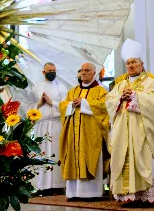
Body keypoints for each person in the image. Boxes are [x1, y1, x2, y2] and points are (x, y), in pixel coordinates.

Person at [106, 39, 154, 205]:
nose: (131, 66)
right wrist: (119, 98)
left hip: (142, 130)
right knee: (123, 158)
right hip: (123, 130)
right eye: (128, 63)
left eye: (134, 62)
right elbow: (109, 102)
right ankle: (128, 196)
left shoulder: (150, 82)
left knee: (142, 157)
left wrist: (135, 97)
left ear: (141, 64)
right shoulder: (121, 84)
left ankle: (145, 197)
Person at [59, 63, 110, 201]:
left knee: (89, 157)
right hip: (73, 134)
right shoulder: (73, 91)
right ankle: (73, 193)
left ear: (94, 73)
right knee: (73, 159)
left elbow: (104, 107)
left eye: (87, 70)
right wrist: (70, 105)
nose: (83, 73)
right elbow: (63, 106)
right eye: (81, 71)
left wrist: (85, 103)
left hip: (91, 134)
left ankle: (91, 193)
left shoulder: (101, 91)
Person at [25, 62, 67, 195]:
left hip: (56, 125)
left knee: (56, 154)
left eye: (54, 70)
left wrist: (51, 103)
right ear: (43, 72)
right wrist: (38, 104)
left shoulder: (62, 88)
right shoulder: (36, 89)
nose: (52, 73)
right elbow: (27, 107)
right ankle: (40, 185)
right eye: (49, 71)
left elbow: (66, 106)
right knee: (41, 154)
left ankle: (57, 185)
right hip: (41, 126)